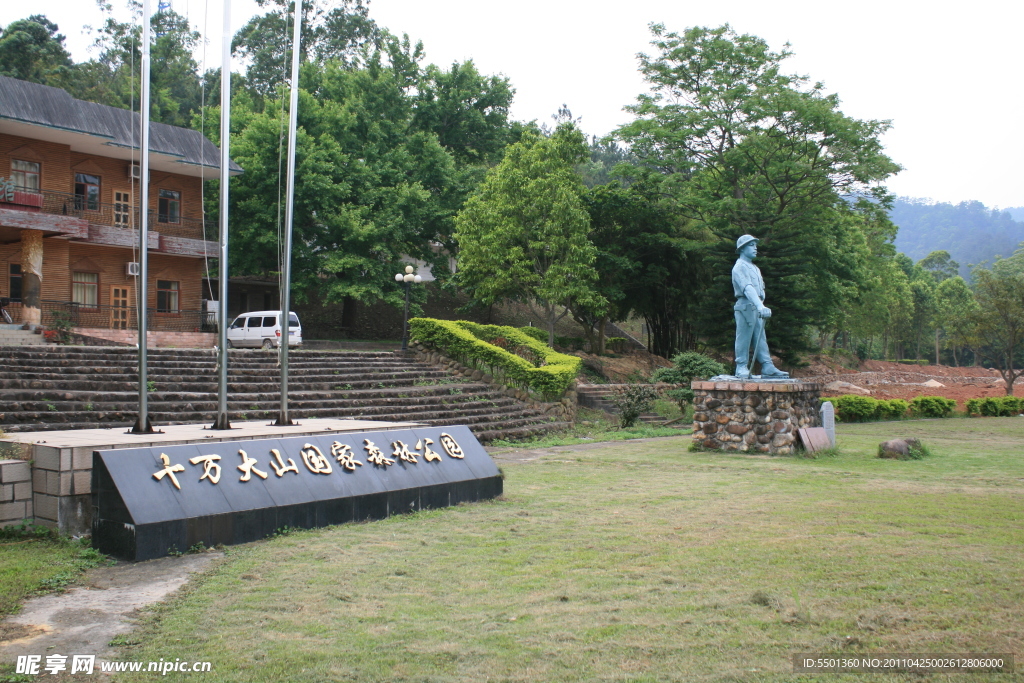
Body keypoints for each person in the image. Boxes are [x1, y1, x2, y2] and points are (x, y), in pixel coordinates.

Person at [732, 235, 789, 379]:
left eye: (755, 245)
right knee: (744, 337)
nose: (755, 248)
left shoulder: (755, 268)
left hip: (757, 307)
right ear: (742, 248)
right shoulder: (739, 267)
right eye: (751, 245)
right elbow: (747, 288)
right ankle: (741, 366)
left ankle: (767, 365)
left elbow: (759, 289)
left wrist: (760, 305)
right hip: (746, 306)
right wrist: (759, 305)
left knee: (760, 337)